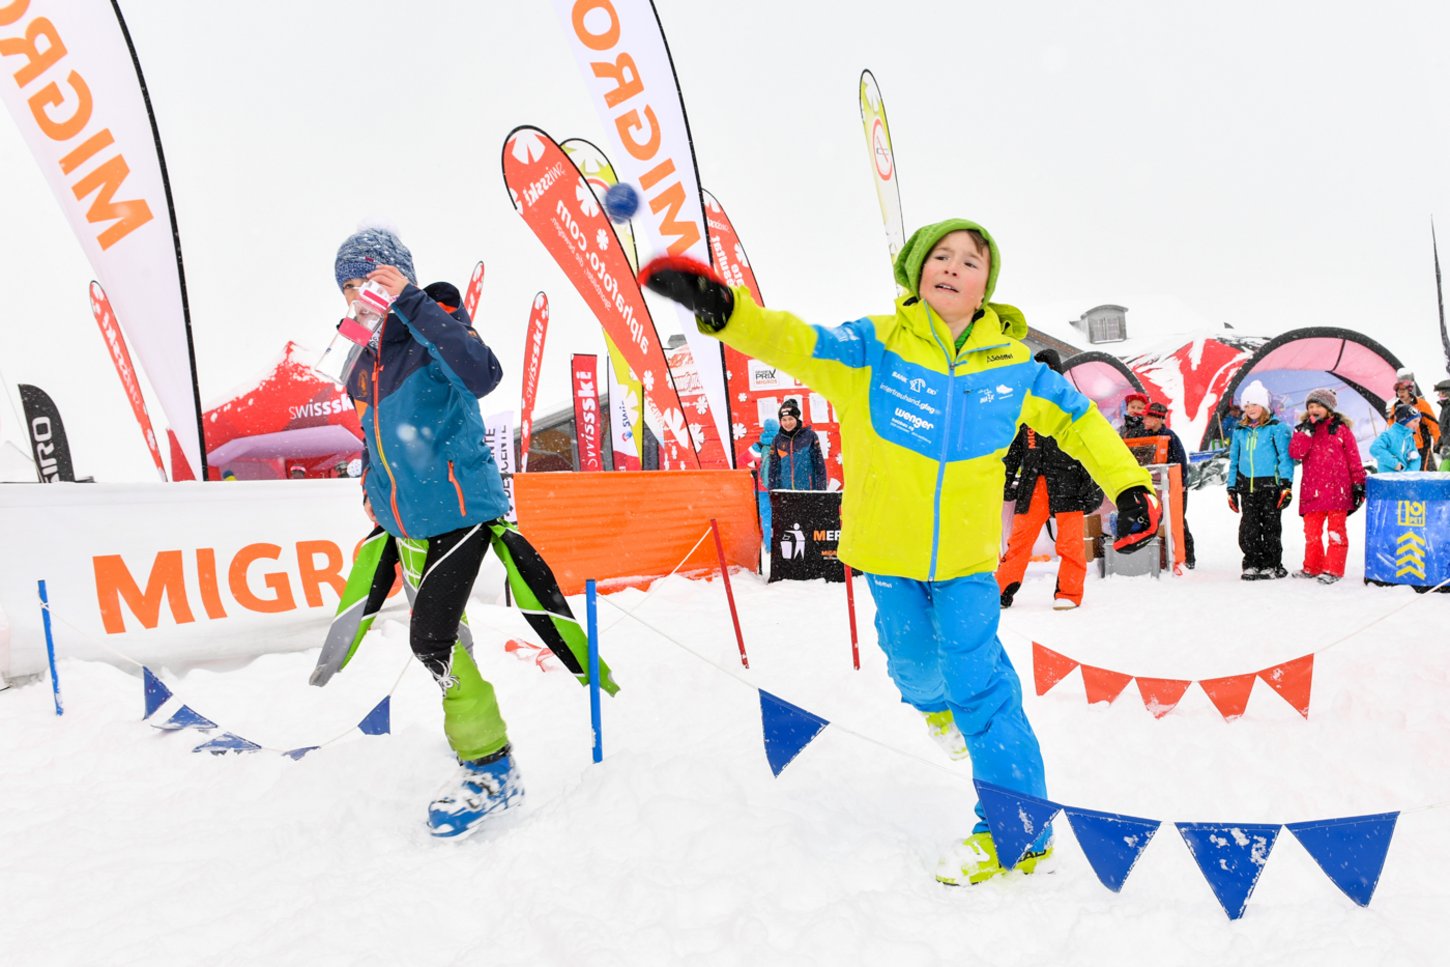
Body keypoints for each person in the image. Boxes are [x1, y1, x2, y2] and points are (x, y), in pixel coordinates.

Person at [640, 217, 1157, 886]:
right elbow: (795, 342)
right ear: (917, 271)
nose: (953, 266)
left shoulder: (1012, 366)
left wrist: (1130, 485)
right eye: (941, 255)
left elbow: (1080, 420)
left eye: (970, 261)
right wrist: (727, 311)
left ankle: (1018, 832)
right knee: (913, 668)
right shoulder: (873, 346)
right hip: (887, 554)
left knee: (982, 688)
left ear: (986, 286)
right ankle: (937, 709)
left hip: (967, 562)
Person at [328, 226, 616, 838]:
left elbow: (483, 375)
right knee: (449, 641)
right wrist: (371, 491)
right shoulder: (361, 357)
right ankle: (469, 728)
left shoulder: (436, 322)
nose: (358, 293)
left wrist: (411, 301)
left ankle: (492, 768)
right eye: (348, 284)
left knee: (430, 641)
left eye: (370, 278)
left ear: (399, 276)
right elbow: (371, 439)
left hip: (461, 512)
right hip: (405, 525)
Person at [997, 350, 1104, 610]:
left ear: (1056, 372)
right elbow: (1013, 451)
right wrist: (1005, 481)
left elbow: (1089, 446)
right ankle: (1000, 592)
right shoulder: (1026, 407)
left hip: (1069, 482)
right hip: (1032, 484)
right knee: (1019, 541)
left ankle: (1069, 593)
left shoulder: (1072, 402)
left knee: (1070, 542)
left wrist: (1092, 485)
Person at [1288, 388, 1366, 584]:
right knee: (1312, 533)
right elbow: (1296, 454)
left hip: (1337, 491)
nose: (1314, 410)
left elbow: (1354, 459)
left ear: (1329, 408)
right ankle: (1312, 567)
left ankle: (1333, 569)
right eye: (1311, 406)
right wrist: (1305, 433)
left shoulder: (1341, 430)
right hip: (1312, 491)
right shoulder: (1302, 430)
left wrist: (1358, 483)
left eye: (1318, 406)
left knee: (1336, 532)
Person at [1225, 380, 1293, 580]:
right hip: (1247, 486)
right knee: (1249, 528)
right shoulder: (1240, 430)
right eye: (1247, 405)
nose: (1250, 409)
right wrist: (1231, 488)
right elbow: (1234, 460)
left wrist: (1286, 485)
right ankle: (1252, 563)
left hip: (1270, 486)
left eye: (1254, 404)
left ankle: (1272, 564)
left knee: (1271, 527)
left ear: (1264, 405)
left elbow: (1285, 458)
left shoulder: (1276, 428)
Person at [1127, 399, 1196, 569]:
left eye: (1148, 417)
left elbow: (1180, 461)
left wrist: (1181, 484)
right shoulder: (1140, 434)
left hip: (1173, 485)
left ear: (1158, 419)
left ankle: (1186, 557)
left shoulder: (1170, 436)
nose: (1144, 420)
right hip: (1153, 486)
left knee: (1178, 520)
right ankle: (1158, 557)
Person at [767, 399, 828, 490]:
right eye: (784, 420)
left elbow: (819, 466)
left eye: (790, 419)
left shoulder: (810, 436)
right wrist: (772, 491)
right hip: (785, 491)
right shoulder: (777, 440)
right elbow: (773, 468)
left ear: (797, 418)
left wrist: (821, 490)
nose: (787, 423)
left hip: (808, 490)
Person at [1386, 372, 1440, 471]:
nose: (1400, 393)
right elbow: (1391, 428)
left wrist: (1438, 442)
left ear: (1410, 390)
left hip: (1421, 446)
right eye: (1398, 391)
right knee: (1408, 475)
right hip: (1403, 448)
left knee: (1421, 472)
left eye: (1403, 390)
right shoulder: (1395, 407)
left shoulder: (1421, 404)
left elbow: (1433, 425)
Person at [747, 416, 779, 546]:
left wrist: (754, 469)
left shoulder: (758, 446)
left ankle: (769, 545)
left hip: (761, 488)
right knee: (782, 515)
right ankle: (781, 544)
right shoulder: (782, 444)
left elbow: (742, 461)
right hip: (778, 487)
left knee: (766, 516)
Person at [1370, 403, 1423, 473]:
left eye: (1418, 422)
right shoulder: (1389, 435)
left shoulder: (1409, 437)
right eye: (1415, 421)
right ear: (1404, 420)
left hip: (1405, 477)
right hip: (1388, 477)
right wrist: (1394, 464)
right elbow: (1375, 449)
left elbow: (1415, 458)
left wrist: (1410, 472)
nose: (1417, 425)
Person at [1435, 379, 1450, 462]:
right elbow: (1445, 429)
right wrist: (1440, 442)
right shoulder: (1445, 408)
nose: (1438, 395)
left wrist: (1447, 445)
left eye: (1440, 392)